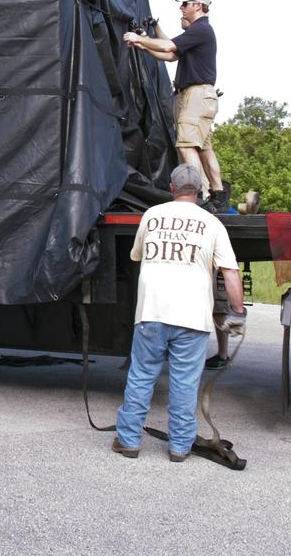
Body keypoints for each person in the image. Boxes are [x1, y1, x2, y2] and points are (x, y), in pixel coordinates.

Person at [111, 163, 245, 462]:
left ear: (171, 188)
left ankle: (129, 441)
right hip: (193, 318)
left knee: (142, 376)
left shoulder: (152, 216)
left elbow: (137, 255)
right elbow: (230, 273)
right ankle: (180, 447)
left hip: (152, 312)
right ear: (200, 191)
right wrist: (238, 314)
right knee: (185, 382)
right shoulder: (212, 224)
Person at [122, 0, 227, 212]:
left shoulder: (201, 29)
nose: (181, 8)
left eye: (185, 4)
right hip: (199, 96)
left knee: (187, 146)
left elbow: (169, 47)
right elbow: (170, 55)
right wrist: (145, 46)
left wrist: (138, 38)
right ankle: (218, 196)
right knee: (204, 149)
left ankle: (196, 196)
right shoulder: (198, 33)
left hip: (196, 95)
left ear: (197, 6)